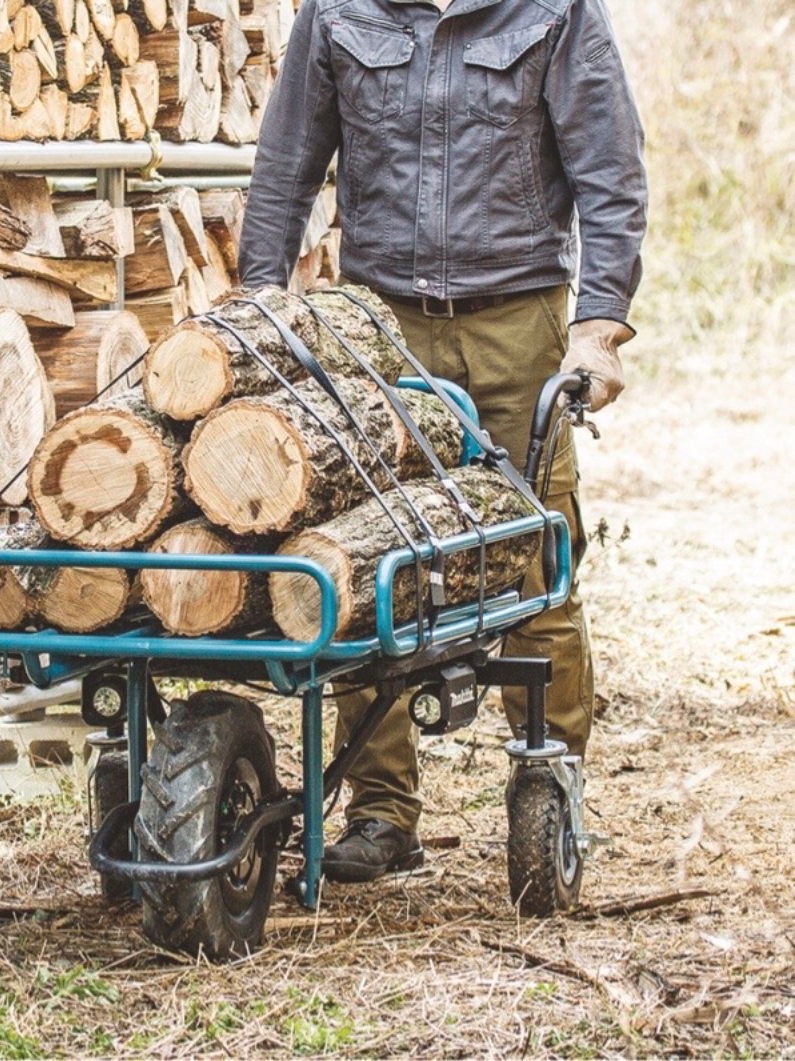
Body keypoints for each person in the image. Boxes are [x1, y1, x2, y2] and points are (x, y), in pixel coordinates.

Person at [238, 0, 647, 882]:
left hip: (517, 318)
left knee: (534, 548)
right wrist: (259, 299)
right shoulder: (339, 13)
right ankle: (383, 812)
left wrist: (599, 324)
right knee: (360, 555)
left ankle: (550, 773)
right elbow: (285, 168)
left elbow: (610, 173)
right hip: (376, 325)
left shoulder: (554, 11)